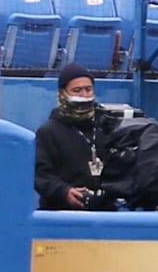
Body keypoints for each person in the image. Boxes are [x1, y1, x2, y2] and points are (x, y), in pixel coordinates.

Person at [33, 70, 117, 212]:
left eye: (88, 89)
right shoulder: (48, 132)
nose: (84, 95)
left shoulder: (107, 127)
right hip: (61, 216)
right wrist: (64, 192)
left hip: (106, 214)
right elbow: (40, 176)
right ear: (62, 93)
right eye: (77, 90)